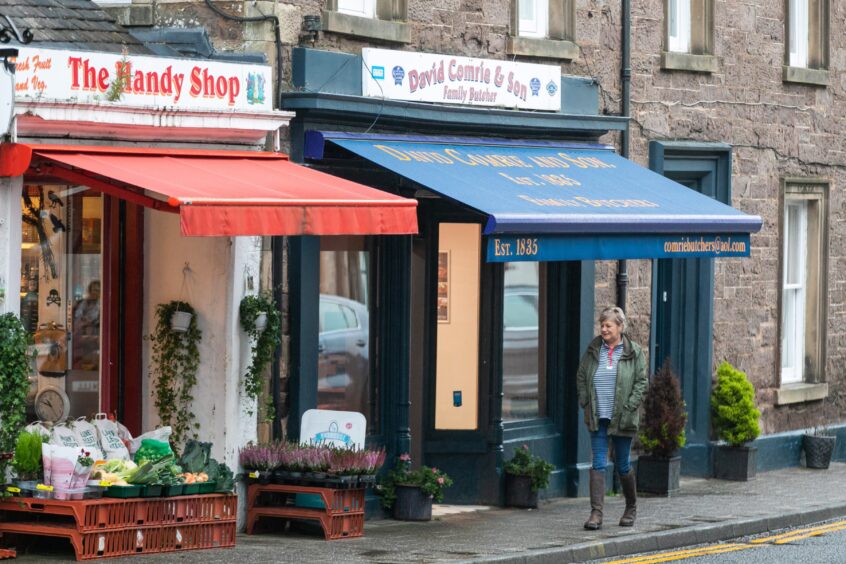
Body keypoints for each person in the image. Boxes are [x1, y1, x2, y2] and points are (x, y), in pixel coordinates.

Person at [576, 306, 647, 530]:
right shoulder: (593, 350)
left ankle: (631, 507)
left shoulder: (634, 352)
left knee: (623, 463)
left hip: (622, 417)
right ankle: (596, 514)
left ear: (620, 327)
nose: (604, 329)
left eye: (608, 325)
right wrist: (586, 402)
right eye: (602, 325)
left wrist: (629, 407)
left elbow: (641, 382)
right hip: (598, 416)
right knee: (598, 462)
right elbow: (581, 377)